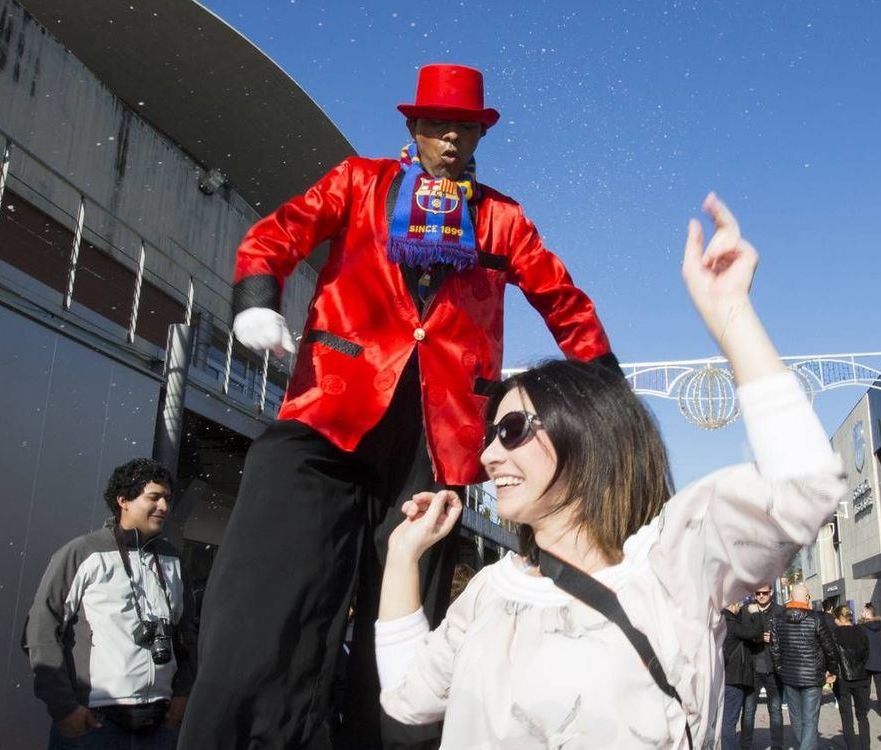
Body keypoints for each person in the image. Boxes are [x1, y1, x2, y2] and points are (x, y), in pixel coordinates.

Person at [179, 64, 619, 750]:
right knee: (269, 602)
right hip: (330, 414)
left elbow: (560, 298)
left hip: (436, 438)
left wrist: (606, 391)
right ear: (413, 127)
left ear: (479, 136)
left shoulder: (499, 218)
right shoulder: (359, 182)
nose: (450, 137)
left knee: (407, 626)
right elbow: (278, 233)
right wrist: (256, 300)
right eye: (438, 124)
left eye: (465, 127)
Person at [373, 195, 847, 746]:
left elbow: (804, 488)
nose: (487, 456)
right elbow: (408, 696)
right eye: (487, 437)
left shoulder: (672, 569)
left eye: (511, 432)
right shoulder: (486, 592)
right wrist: (403, 554)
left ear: (587, 435)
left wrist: (732, 315)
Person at [24, 458, 195, 749]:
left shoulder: (173, 560)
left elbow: (186, 636)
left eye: (167, 498)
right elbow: (40, 631)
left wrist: (182, 694)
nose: (164, 507)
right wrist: (65, 708)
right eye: (154, 497)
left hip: (160, 724)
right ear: (123, 500)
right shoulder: (82, 553)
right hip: (94, 724)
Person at [769, 583, 839, 750]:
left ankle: (804, 746)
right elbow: (830, 647)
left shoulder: (777, 620)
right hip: (812, 676)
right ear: (807, 598)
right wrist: (833, 670)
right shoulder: (815, 619)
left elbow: (774, 649)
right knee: (810, 720)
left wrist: (780, 669)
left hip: (789, 676)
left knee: (797, 718)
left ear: (791, 598)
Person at [742, 585, 786, 750]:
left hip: (773, 669)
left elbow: (787, 637)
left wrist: (774, 639)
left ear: (771, 593)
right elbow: (742, 634)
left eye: (764, 593)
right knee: (748, 711)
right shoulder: (747, 611)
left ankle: (777, 746)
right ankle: (745, 746)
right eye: (758, 593)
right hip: (752, 669)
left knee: (775, 710)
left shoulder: (780, 611)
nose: (761, 596)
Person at [722, 600, 763, 750]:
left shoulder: (720, 622)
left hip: (725, 677)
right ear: (731, 606)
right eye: (737, 604)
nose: (739, 607)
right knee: (729, 720)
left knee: (726, 719)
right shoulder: (730, 622)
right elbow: (756, 632)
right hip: (733, 679)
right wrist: (756, 613)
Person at [831, 605, 871, 750]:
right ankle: (866, 747)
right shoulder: (861, 631)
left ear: (839, 618)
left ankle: (852, 747)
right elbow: (867, 653)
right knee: (862, 716)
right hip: (862, 677)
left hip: (843, 679)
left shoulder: (835, 634)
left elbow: (833, 657)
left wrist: (831, 672)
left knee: (846, 717)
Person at [860, 603, 881, 717]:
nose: (861, 613)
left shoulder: (863, 628)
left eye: (863, 611)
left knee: (866, 686)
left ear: (868, 613)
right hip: (880, 659)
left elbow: (861, 645)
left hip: (867, 660)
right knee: (880, 686)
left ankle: (865, 708)